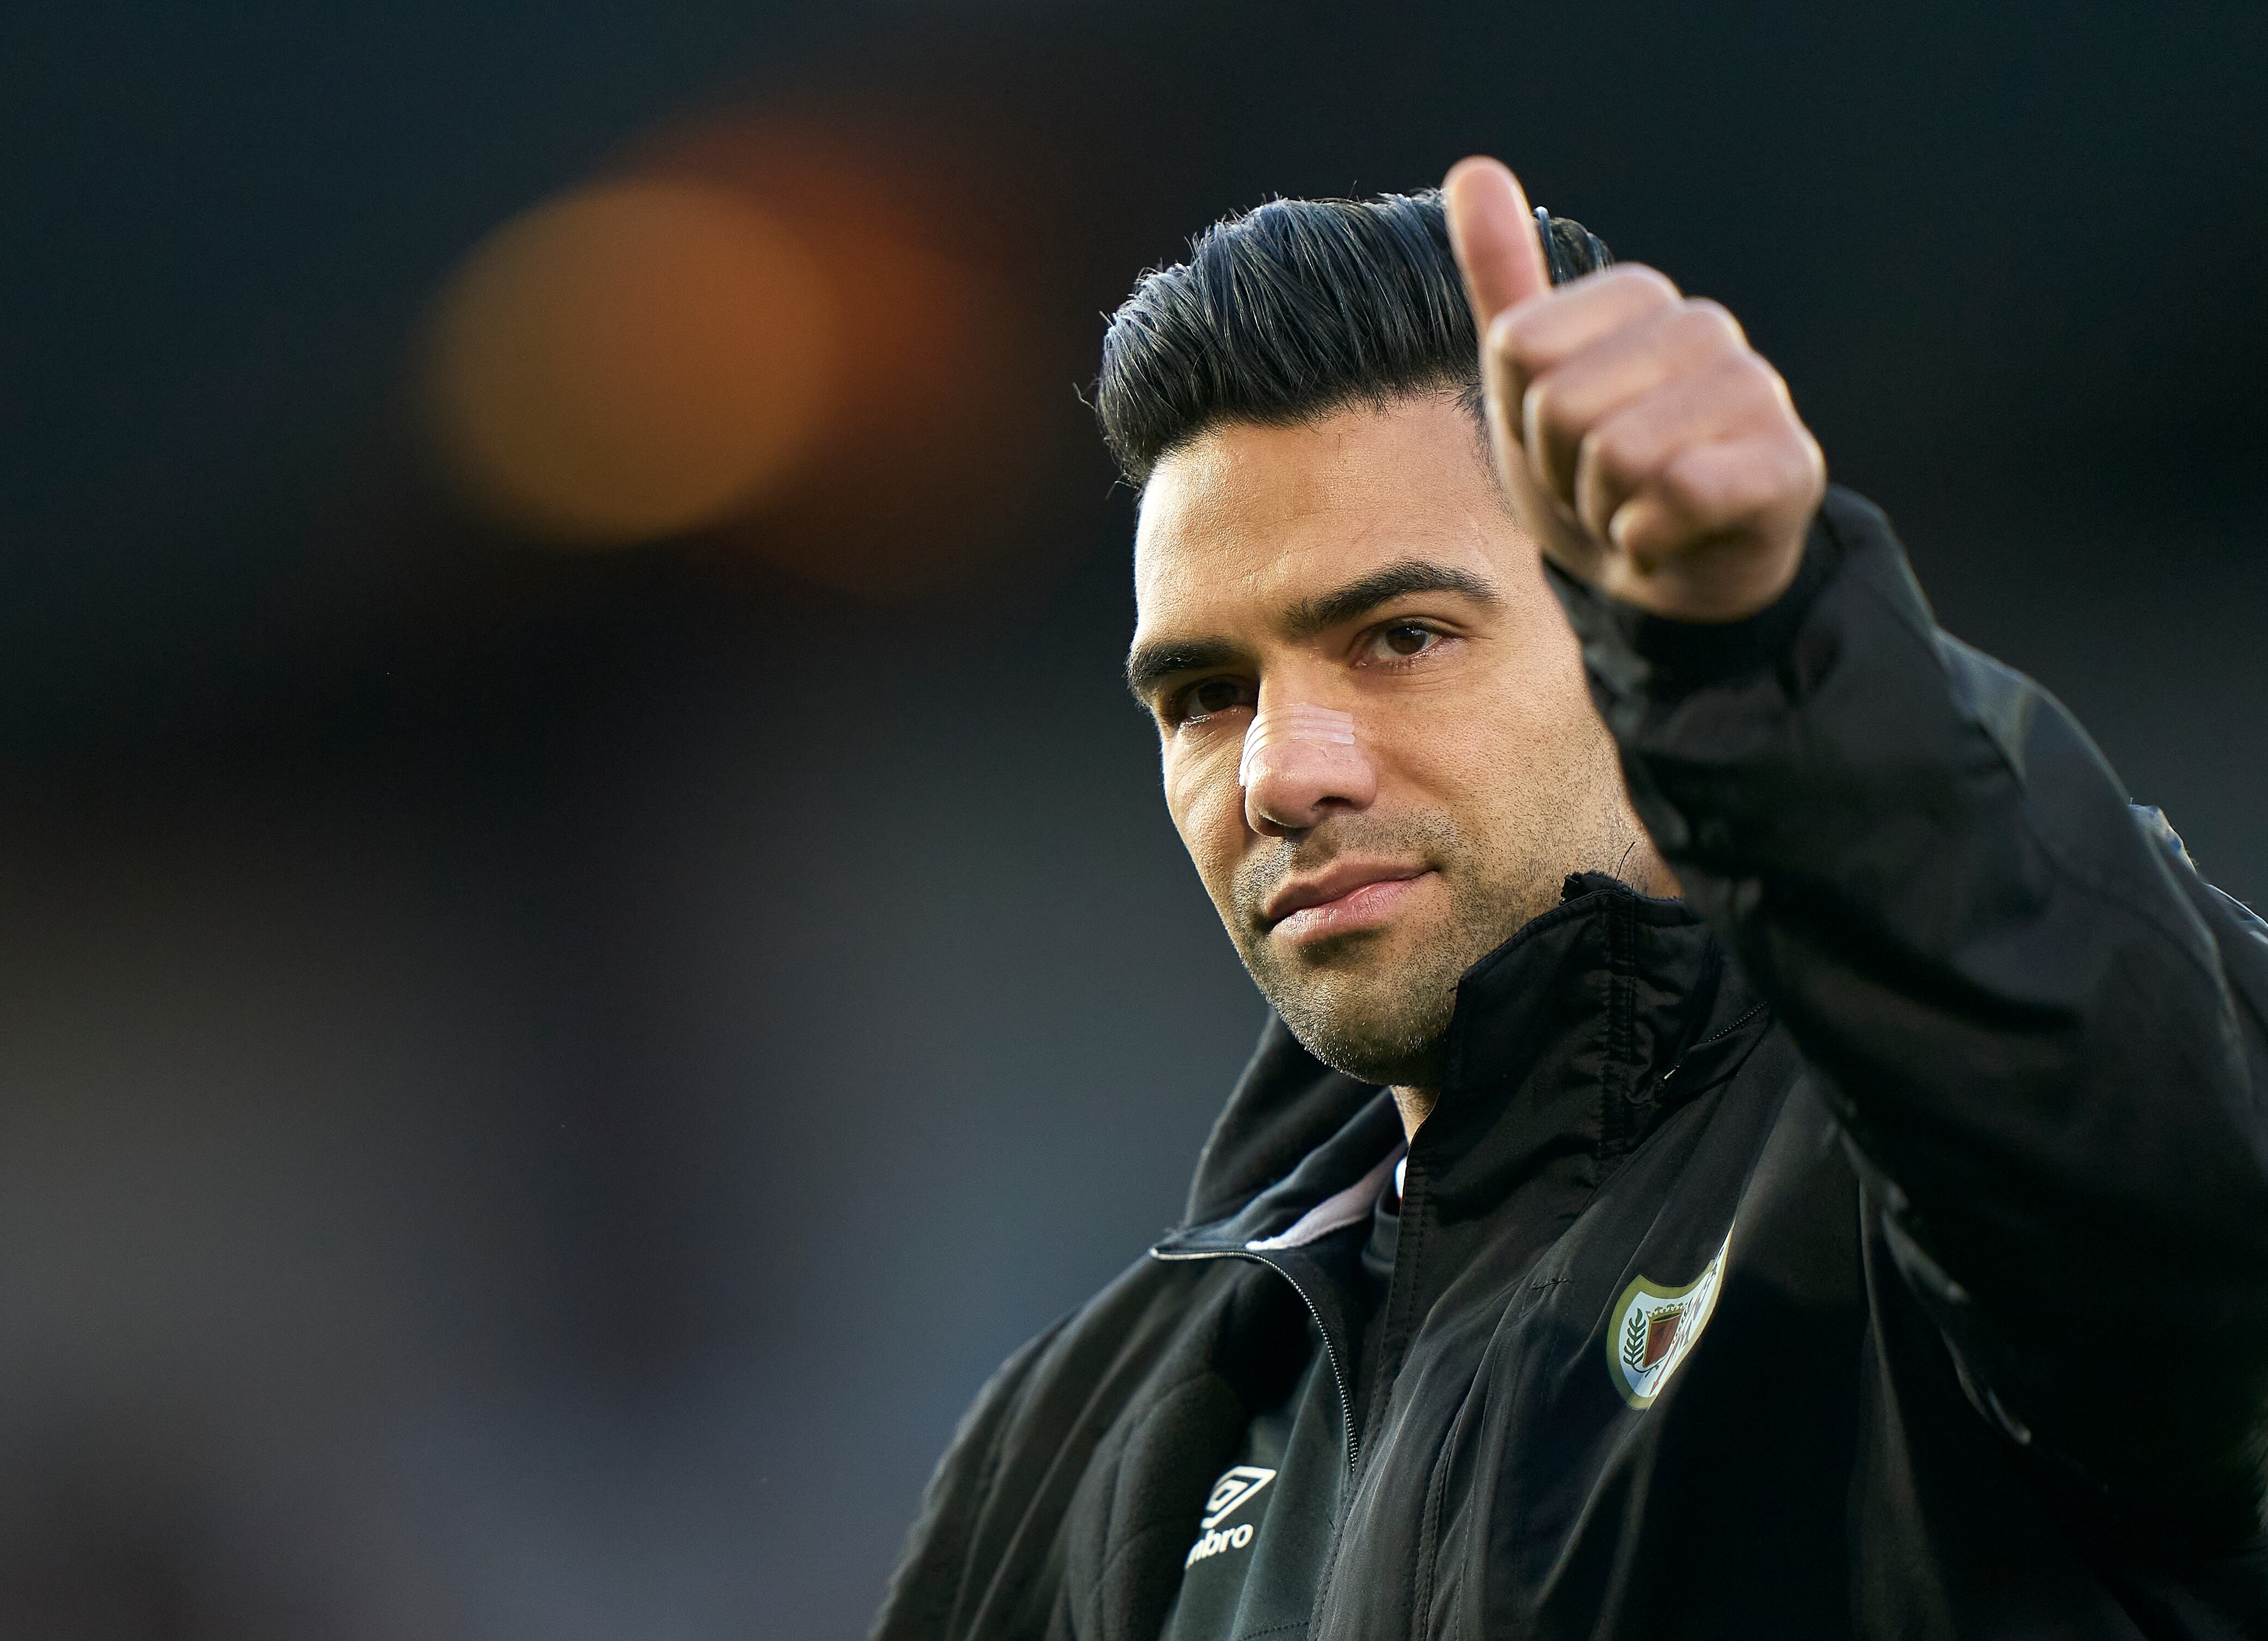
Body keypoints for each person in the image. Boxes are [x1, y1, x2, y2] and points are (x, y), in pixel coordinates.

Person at [871, 158, 2268, 1639]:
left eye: (1399, 637)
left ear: (1628, 639)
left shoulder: (1930, 1195)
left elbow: (2158, 1198)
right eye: (1206, 695)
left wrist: (1776, 652)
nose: (1281, 773)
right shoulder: (1081, 1441)